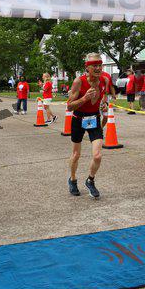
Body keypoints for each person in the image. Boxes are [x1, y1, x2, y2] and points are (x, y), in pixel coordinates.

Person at [66, 53, 106, 199]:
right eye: (94, 65)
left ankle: (90, 180)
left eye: (100, 65)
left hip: (94, 119)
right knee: (76, 155)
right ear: (87, 68)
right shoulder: (79, 82)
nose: (98, 68)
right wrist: (84, 98)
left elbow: (102, 98)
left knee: (97, 155)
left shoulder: (104, 80)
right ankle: (72, 179)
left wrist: (104, 106)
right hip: (78, 119)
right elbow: (69, 106)